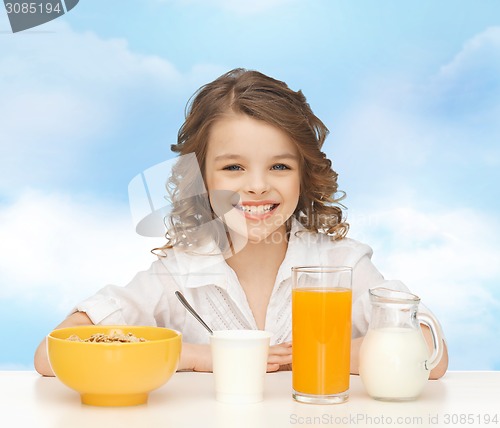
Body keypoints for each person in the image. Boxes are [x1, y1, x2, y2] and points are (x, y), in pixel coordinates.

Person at [34, 68, 448, 377]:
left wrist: (325, 352)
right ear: (201, 178)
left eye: (279, 166)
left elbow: (432, 355)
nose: (256, 186)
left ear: (304, 174)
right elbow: (52, 354)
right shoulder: (178, 275)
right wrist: (199, 357)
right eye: (233, 167)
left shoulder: (342, 265)